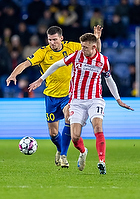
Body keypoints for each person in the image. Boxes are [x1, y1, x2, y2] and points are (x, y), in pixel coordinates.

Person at [28, 33, 134, 174]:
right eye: (82, 46)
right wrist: (41, 79)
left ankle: (101, 161)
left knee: (97, 127)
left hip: (95, 99)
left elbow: (109, 79)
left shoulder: (103, 60)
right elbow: (57, 65)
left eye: (85, 47)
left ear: (94, 47)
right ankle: (83, 151)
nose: (82, 49)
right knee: (75, 137)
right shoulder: (76, 56)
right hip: (77, 101)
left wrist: (118, 99)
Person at [6, 25, 102, 169]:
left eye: (55, 39)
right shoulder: (43, 52)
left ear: (61, 38)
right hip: (51, 96)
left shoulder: (72, 47)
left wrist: (97, 38)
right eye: (50, 40)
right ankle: (59, 149)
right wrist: (14, 74)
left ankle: (64, 155)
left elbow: (95, 51)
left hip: (69, 95)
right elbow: (26, 64)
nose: (52, 42)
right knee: (53, 133)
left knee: (68, 117)